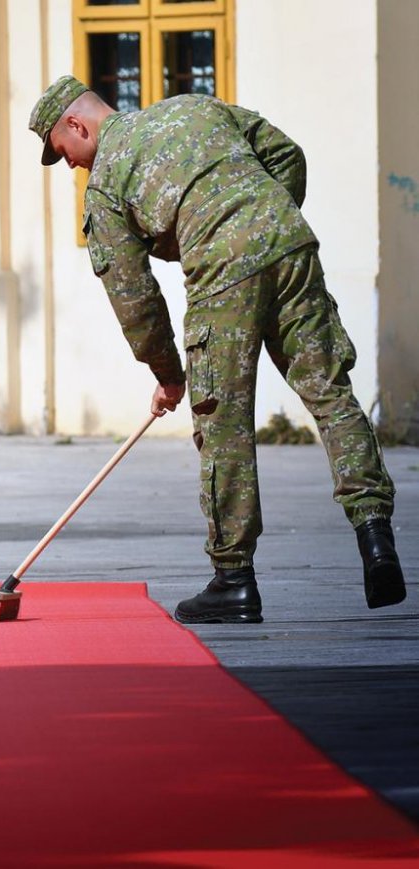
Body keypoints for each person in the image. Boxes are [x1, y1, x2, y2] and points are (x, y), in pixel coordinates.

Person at [28, 75, 405, 623]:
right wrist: (265, 224)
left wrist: (168, 373)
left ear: (78, 125)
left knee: (223, 422)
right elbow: (284, 153)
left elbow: (133, 297)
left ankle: (234, 581)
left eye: (67, 155)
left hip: (224, 276)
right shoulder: (193, 107)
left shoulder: (107, 183)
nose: (73, 168)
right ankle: (375, 535)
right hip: (289, 242)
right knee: (330, 391)